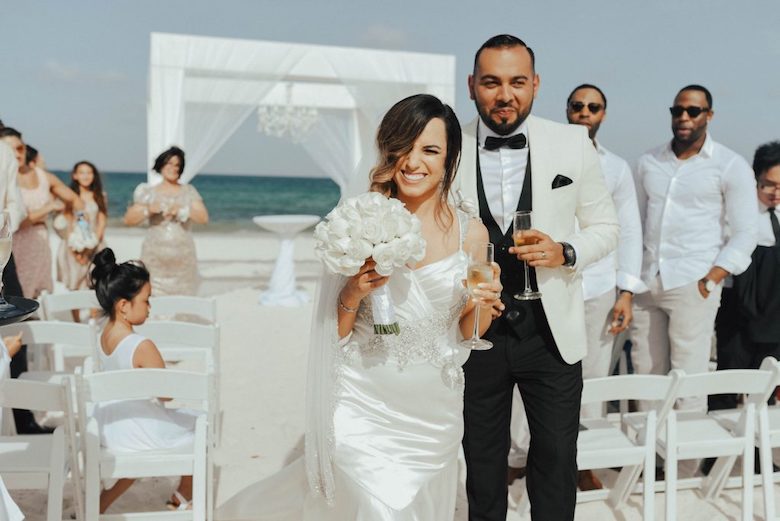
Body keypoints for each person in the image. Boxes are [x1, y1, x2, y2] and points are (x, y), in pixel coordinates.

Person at [217, 94, 504, 521]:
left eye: (430, 150)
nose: (413, 161)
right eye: (404, 146)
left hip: (433, 409)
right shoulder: (359, 220)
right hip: (363, 396)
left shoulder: (472, 234)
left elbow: (466, 332)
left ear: (450, 160)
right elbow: (329, 336)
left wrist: (485, 308)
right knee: (368, 506)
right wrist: (353, 293)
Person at [454, 35, 619, 521]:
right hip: (473, 331)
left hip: (552, 334)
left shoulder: (573, 142)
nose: (505, 95)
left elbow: (607, 228)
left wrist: (565, 250)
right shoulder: (448, 147)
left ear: (536, 85)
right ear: (472, 86)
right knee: (482, 464)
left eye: (517, 82)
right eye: (492, 82)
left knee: (555, 460)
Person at [630, 85, 758, 412]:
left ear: (708, 116)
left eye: (693, 111)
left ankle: (684, 463)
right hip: (647, 280)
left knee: (689, 377)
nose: (684, 117)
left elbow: (746, 232)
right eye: (677, 111)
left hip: (694, 282)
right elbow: (634, 224)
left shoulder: (730, 164)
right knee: (646, 374)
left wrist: (711, 278)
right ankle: (649, 460)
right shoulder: (648, 161)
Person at [89, 248, 200, 513]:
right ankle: (184, 493)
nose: (150, 308)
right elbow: (166, 395)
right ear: (124, 306)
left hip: (110, 422)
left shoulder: (101, 336)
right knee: (198, 424)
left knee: (151, 433)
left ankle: (103, 501)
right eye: (146, 300)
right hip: (135, 426)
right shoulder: (141, 345)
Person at [710, 141, 780, 410]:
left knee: (767, 391)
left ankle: (760, 449)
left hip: (775, 321)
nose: (775, 193)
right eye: (768, 184)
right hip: (739, 316)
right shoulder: (738, 217)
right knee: (728, 385)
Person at [0, 127, 83, 299]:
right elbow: (17, 220)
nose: (16, 153)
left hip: (39, 239)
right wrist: (49, 208)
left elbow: (77, 202)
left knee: (33, 293)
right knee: (17, 294)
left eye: (20, 148)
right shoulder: (9, 175)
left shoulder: (43, 176)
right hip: (15, 241)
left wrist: (78, 232)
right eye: (11, 149)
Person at [123, 146, 208, 296]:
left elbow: (203, 218)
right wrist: (148, 210)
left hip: (183, 258)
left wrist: (184, 210)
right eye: (169, 163)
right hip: (155, 258)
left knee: (183, 299)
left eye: (177, 165)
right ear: (161, 165)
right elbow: (129, 220)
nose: (173, 168)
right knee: (152, 297)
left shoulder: (189, 191)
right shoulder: (148, 192)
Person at [56, 161, 108, 312]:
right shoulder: (70, 197)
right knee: (75, 285)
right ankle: (77, 323)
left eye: (89, 172)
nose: (86, 176)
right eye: (82, 172)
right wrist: (77, 250)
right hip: (73, 246)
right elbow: (68, 222)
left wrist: (92, 246)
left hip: (95, 246)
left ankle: (93, 320)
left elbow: (101, 223)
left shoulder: (100, 196)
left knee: (94, 283)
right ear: (75, 175)